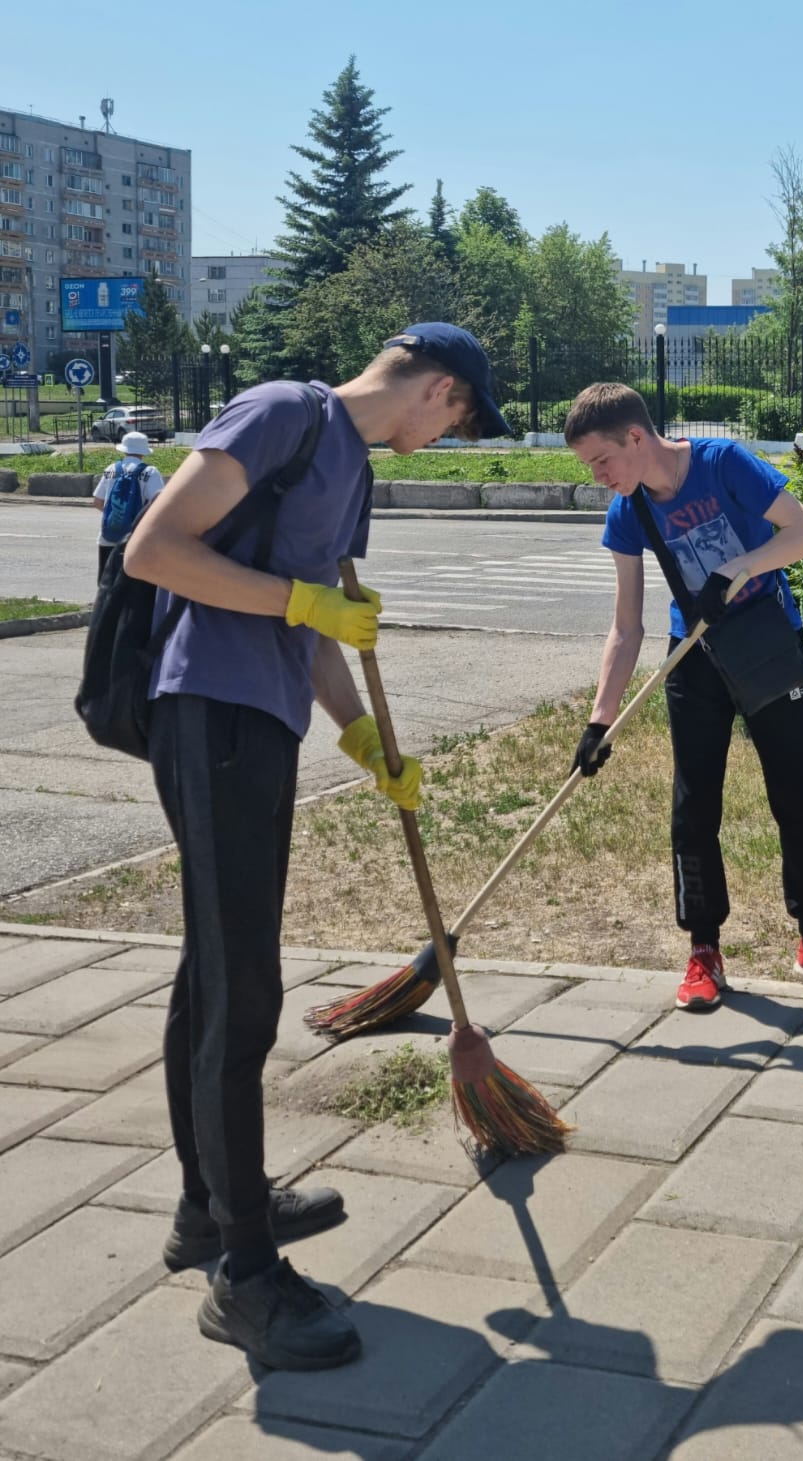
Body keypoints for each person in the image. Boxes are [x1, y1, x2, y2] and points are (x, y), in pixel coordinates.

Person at [123, 323, 512, 1369]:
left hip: (262, 722)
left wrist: (362, 737)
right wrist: (304, 601)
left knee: (217, 973)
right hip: (205, 714)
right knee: (242, 987)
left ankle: (213, 1208)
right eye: (464, 415)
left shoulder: (351, 474)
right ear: (436, 388)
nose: (453, 434)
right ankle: (243, 1278)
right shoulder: (285, 413)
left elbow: (314, 630)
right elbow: (154, 551)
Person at [563, 382, 803, 1013]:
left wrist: (739, 569)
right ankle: (704, 950)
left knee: (796, 798)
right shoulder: (628, 509)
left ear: (636, 438)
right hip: (693, 659)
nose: (598, 476)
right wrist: (600, 720)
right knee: (694, 808)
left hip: (767, 647)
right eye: (591, 467)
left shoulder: (722, 464)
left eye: (601, 461)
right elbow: (626, 625)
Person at [92, 430, 164, 578]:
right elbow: (159, 505)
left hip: (107, 537)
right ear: (143, 451)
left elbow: (98, 502)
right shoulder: (150, 472)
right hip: (135, 539)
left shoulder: (111, 469)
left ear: (124, 449)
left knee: (106, 586)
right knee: (131, 589)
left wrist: (117, 517)